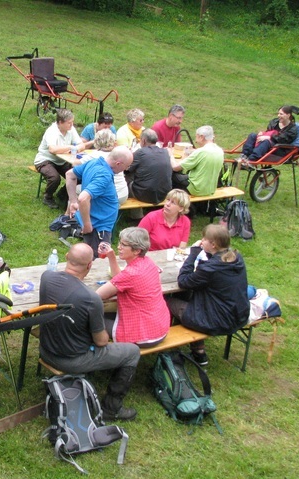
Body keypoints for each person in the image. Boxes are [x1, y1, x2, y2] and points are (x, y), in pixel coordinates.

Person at [39, 242, 140, 420]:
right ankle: (112, 408)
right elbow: (101, 341)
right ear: (90, 265)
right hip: (72, 360)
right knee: (132, 352)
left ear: (66, 258)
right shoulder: (91, 298)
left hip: (46, 350)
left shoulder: (46, 277)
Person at [166, 224, 250, 366]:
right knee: (187, 297)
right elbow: (213, 271)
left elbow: (183, 281)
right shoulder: (236, 258)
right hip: (239, 315)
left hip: (216, 321)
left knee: (167, 301)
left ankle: (169, 349)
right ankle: (198, 351)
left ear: (213, 244)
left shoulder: (210, 269)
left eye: (204, 239)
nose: (201, 241)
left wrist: (193, 254)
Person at [96, 227, 170, 347]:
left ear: (136, 251)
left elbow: (98, 295)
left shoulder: (130, 274)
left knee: (92, 319)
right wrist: (111, 256)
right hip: (160, 327)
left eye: (124, 245)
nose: (119, 247)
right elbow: (119, 279)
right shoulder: (148, 262)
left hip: (143, 336)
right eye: (120, 242)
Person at [65, 146, 133, 257]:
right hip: (99, 227)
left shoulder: (94, 162)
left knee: (90, 258)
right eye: (127, 166)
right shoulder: (104, 175)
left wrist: (72, 201)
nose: (126, 169)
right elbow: (83, 198)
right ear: (118, 164)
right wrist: (87, 225)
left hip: (97, 223)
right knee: (98, 262)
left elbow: (70, 174)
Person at [34, 109, 94, 209]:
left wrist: (77, 147)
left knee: (79, 175)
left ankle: (63, 193)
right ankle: (47, 197)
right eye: (69, 123)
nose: (72, 125)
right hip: (45, 160)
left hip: (62, 161)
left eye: (72, 122)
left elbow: (80, 145)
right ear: (60, 122)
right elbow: (52, 149)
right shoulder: (52, 131)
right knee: (54, 178)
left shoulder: (71, 130)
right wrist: (71, 147)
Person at [74, 129, 128, 204]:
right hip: (123, 194)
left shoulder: (95, 155)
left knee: (76, 188)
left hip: (110, 196)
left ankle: (75, 211)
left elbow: (75, 165)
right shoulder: (117, 154)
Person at [170, 125, 224, 197]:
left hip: (196, 189)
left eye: (196, 137)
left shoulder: (201, 152)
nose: (195, 141)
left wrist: (169, 153)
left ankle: (174, 201)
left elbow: (175, 167)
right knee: (182, 176)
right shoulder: (219, 151)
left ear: (201, 137)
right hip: (210, 189)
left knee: (172, 176)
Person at [125, 128, 172, 204]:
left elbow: (126, 168)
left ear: (143, 141)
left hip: (144, 194)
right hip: (164, 193)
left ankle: (136, 214)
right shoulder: (165, 152)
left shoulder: (140, 152)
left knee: (126, 177)